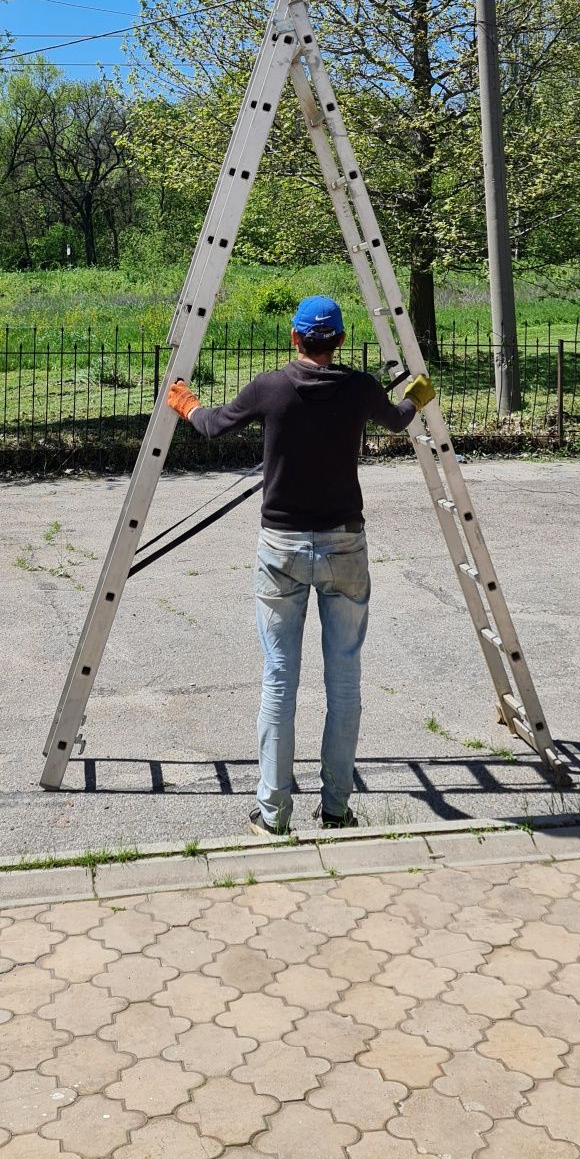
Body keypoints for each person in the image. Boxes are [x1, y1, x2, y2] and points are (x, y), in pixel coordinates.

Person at [167, 295, 434, 836]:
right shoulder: (359, 387)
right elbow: (401, 418)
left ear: (294, 338)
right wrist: (420, 390)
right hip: (344, 547)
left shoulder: (271, 387)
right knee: (345, 682)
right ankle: (335, 809)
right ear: (338, 340)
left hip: (282, 548)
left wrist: (186, 404)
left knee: (279, 680)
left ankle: (273, 815)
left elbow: (215, 425)